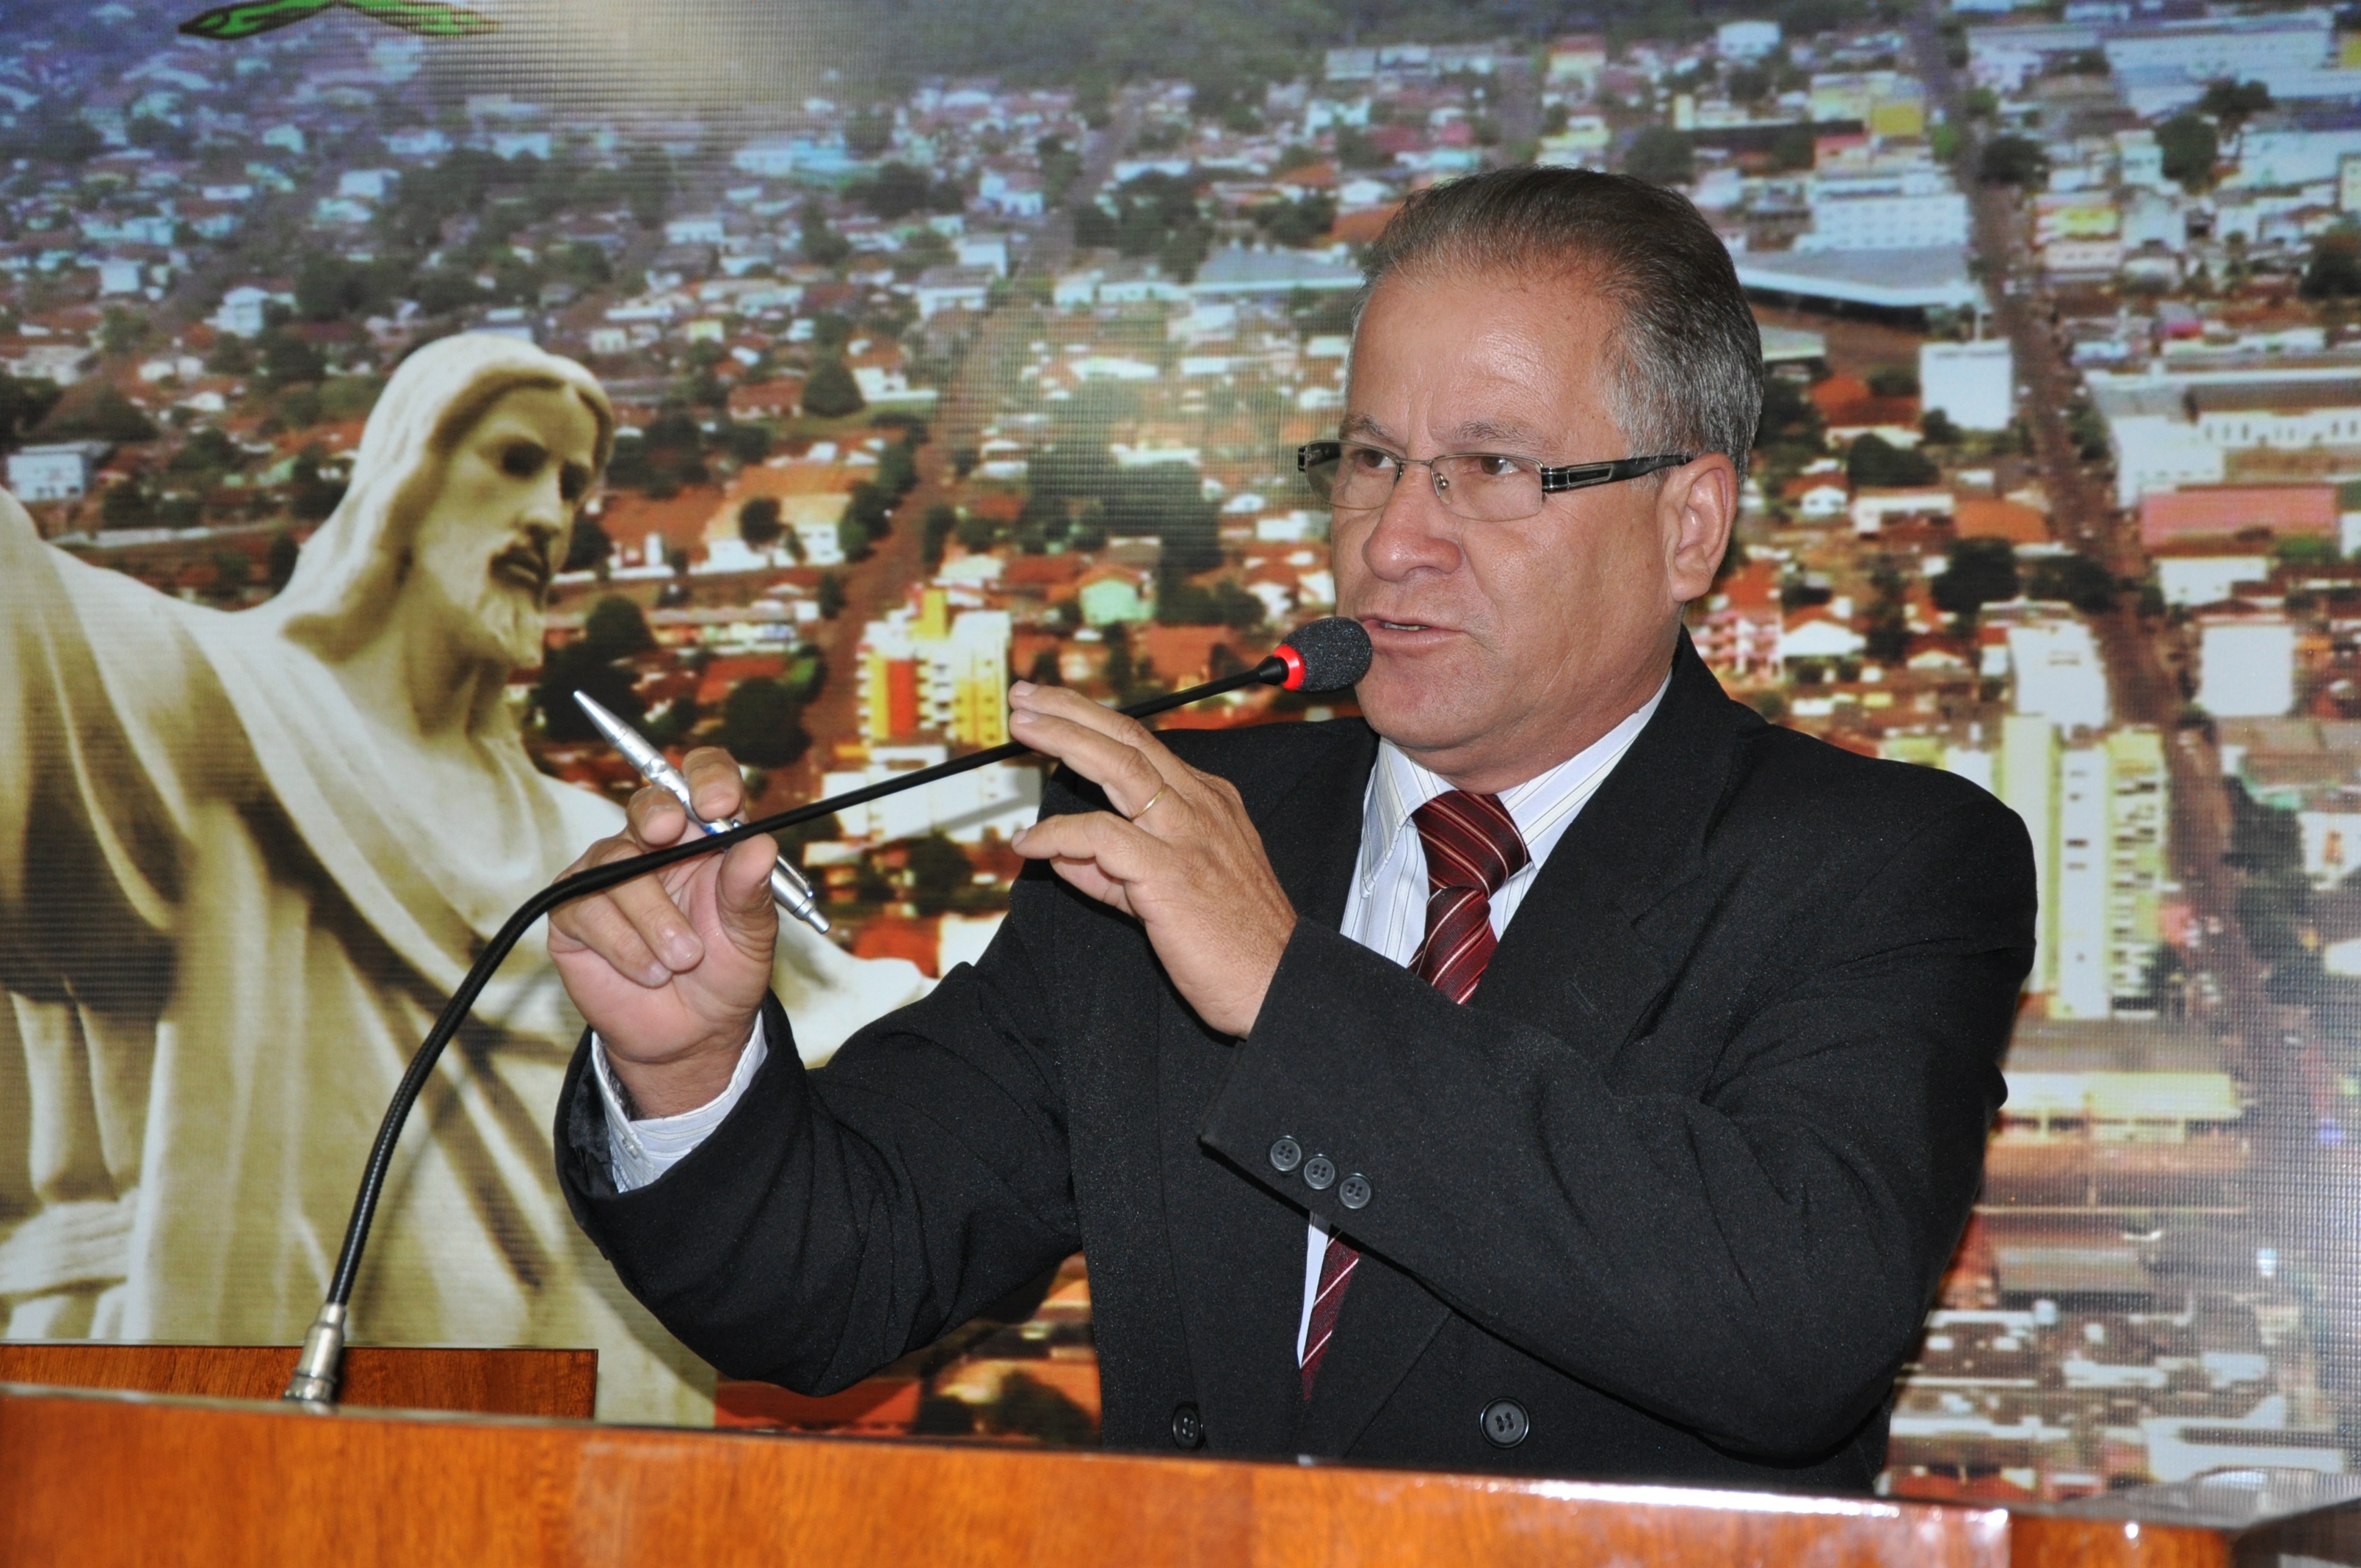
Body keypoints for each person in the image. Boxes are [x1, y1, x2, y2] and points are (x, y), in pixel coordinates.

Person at [550, 168, 2036, 1484]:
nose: (1394, 538)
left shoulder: (1878, 863)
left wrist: (1284, 990)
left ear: (1690, 524)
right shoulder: (1176, 832)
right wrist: (684, 1066)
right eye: (1371, 459)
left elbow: (1791, 1324)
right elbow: (840, 1282)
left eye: (1493, 469)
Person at [0, 333, 927, 1423]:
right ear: (405, 471)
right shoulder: (205, 697)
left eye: (575, 486)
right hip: (213, 1418)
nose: (552, 515)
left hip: (552, 1442)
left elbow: (883, 1031)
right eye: (516, 462)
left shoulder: (594, 848)